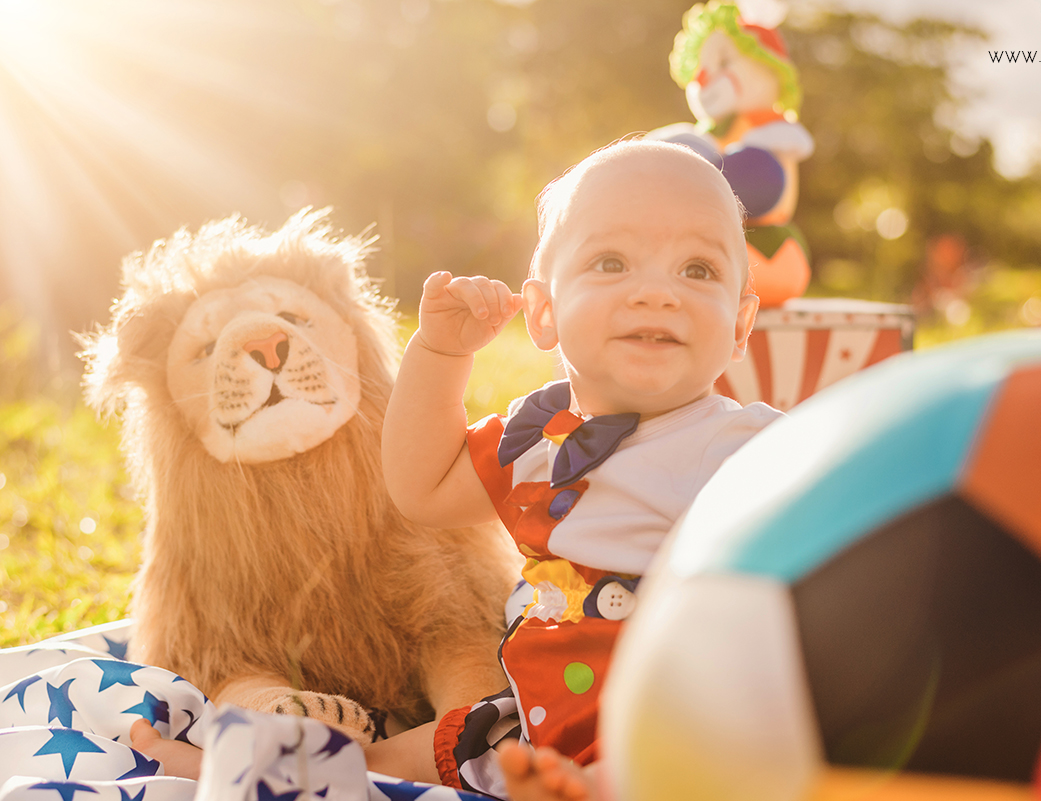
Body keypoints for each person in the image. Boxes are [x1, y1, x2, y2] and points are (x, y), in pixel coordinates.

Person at [130, 139, 784, 801]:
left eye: (697, 269)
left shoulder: (747, 446)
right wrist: (440, 354)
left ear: (740, 322)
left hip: (668, 708)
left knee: (675, 759)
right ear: (544, 312)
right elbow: (421, 488)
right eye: (611, 262)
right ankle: (226, 768)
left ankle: (591, 785)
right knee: (401, 755)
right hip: (533, 716)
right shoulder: (535, 434)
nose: (655, 293)